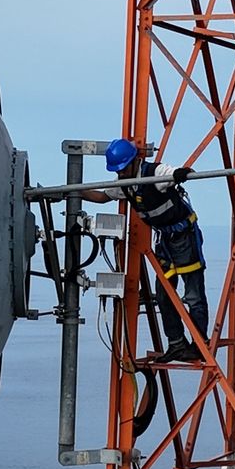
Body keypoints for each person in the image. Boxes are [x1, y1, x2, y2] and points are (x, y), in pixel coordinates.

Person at [80, 138, 208, 363]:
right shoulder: (125, 185)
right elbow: (102, 197)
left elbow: (174, 172)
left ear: (134, 162)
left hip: (184, 237)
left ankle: (200, 344)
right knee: (163, 294)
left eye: (122, 169)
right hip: (166, 241)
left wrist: (180, 173)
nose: (120, 174)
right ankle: (177, 344)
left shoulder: (154, 173)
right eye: (117, 171)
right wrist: (75, 191)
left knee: (193, 295)